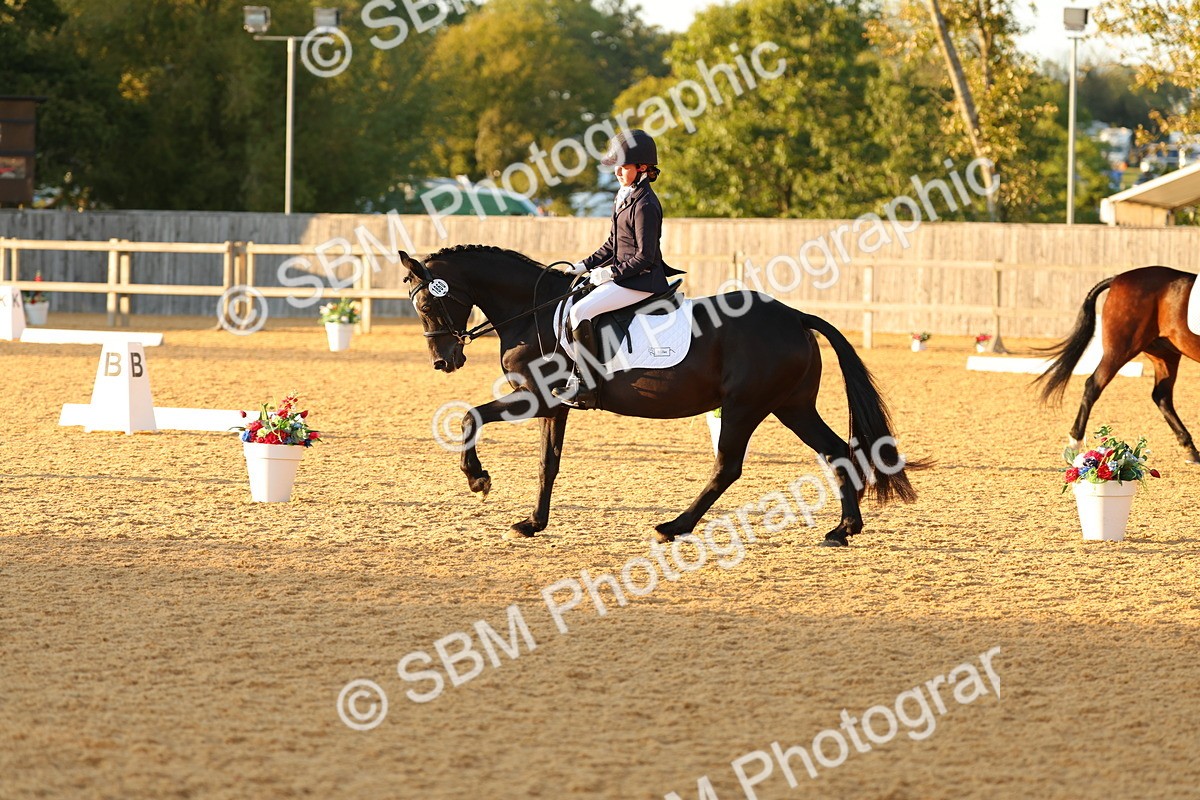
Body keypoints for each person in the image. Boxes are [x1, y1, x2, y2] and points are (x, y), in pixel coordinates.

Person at [554, 129, 684, 409]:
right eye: (617, 167)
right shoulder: (624, 196)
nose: (618, 172)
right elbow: (612, 245)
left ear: (643, 168)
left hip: (642, 282)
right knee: (574, 301)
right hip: (625, 277)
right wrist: (584, 265)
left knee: (580, 311)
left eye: (624, 167)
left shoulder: (646, 205)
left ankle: (587, 386)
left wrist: (610, 274)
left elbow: (645, 257)